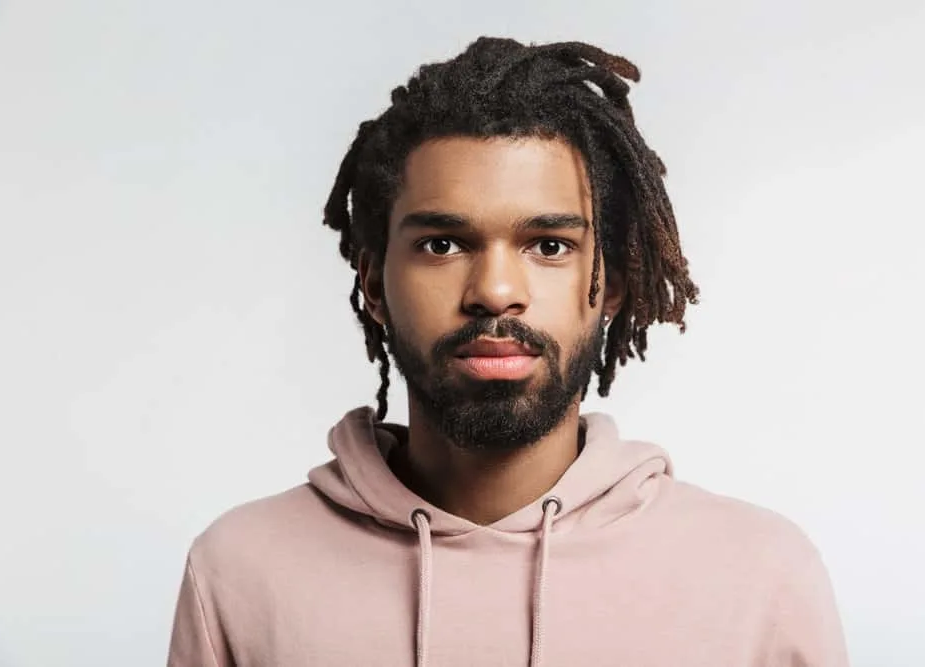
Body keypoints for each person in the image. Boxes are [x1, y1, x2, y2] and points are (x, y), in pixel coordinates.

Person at [167, 37, 848, 666]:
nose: (495, 291)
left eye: (548, 245)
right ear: (374, 284)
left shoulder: (759, 576)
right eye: (443, 243)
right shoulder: (240, 571)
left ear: (610, 282)